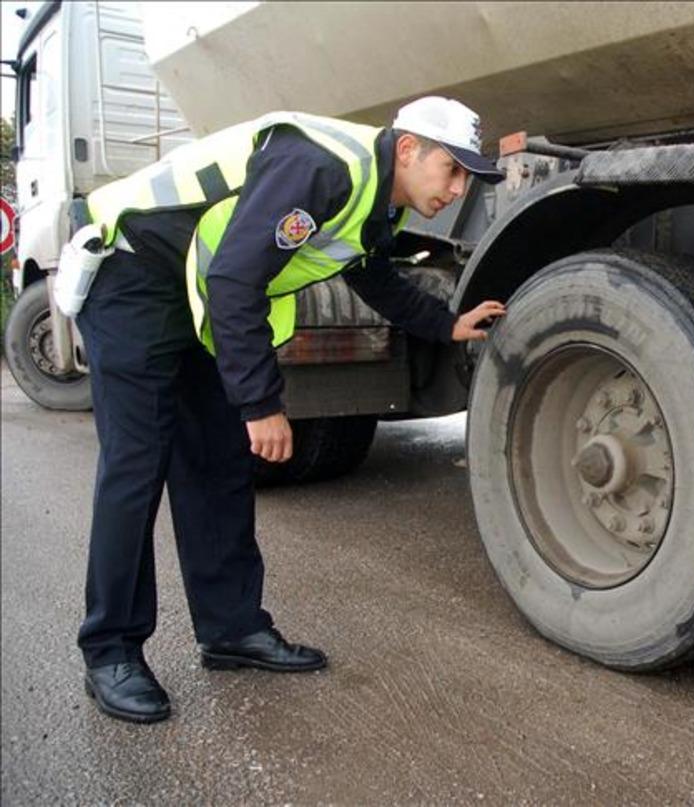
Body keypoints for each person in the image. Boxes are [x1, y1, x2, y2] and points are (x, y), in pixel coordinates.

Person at [73, 97, 507, 724]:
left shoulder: (376, 197)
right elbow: (234, 279)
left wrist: (447, 324)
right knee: (136, 466)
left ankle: (231, 629)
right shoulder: (320, 167)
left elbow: (372, 275)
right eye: (454, 170)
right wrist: (260, 404)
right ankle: (110, 650)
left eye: (468, 176)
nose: (459, 189)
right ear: (410, 149)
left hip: (197, 286)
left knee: (218, 465)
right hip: (135, 273)